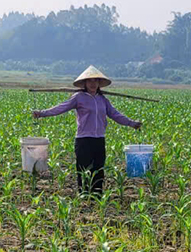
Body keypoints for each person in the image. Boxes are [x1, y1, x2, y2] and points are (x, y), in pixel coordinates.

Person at [32, 65, 142, 197]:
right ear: (84, 83)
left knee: (98, 169)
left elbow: (115, 115)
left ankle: (97, 195)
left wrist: (132, 123)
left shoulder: (103, 100)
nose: (93, 83)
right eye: (90, 81)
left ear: (99, 84)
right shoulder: (78, 97)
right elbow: (61, 108)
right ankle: (84, 194)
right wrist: (42, 113)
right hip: (84, 139)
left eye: (95, 81)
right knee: (84, 168)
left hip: (99, 139)